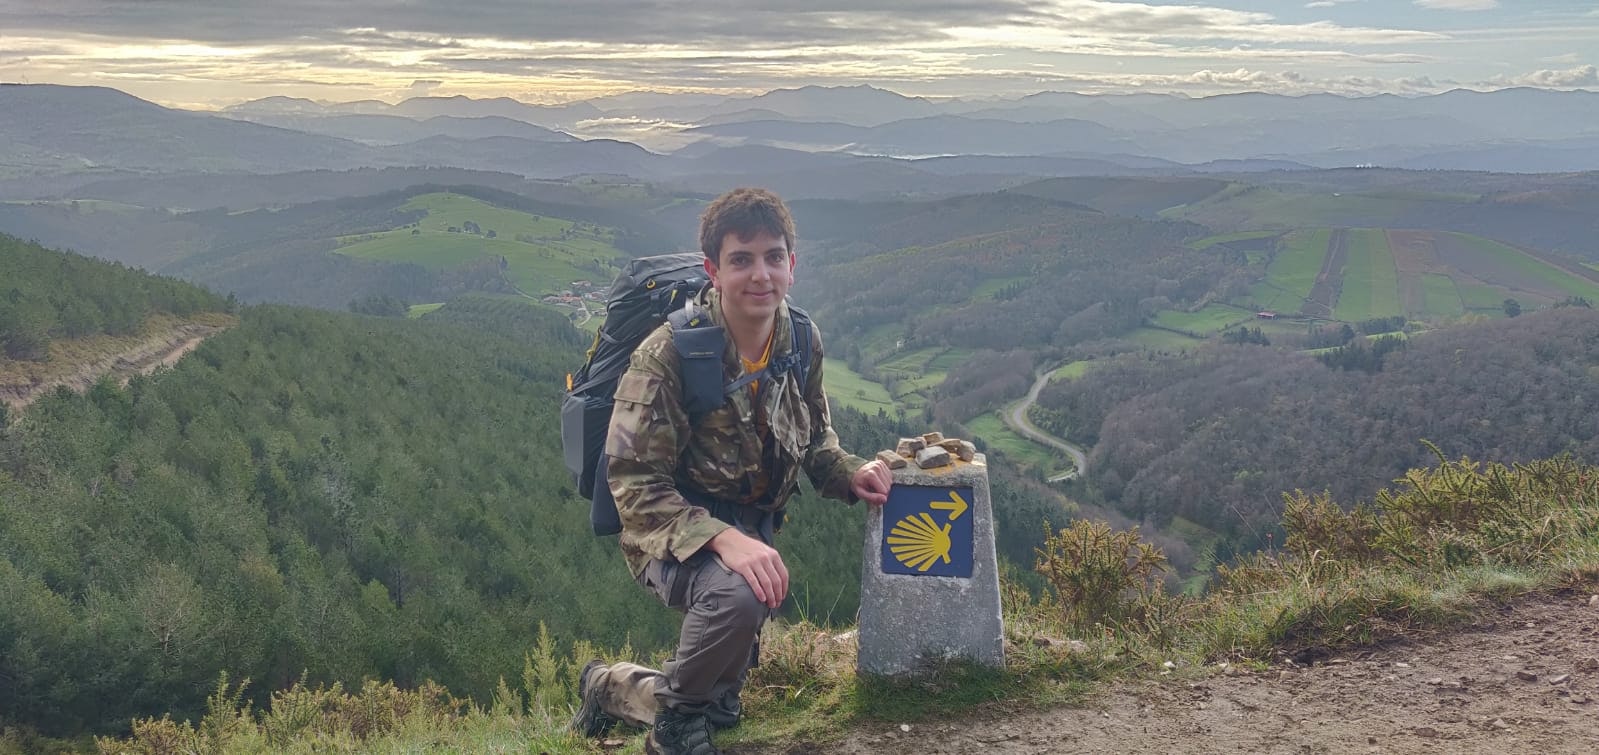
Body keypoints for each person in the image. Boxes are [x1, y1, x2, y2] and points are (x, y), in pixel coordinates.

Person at [571, 188, 893, 755]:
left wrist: (848, 472)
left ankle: (609, 688)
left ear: (792, 265)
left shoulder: (799, 340)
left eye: (773, 257)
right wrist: (723, 540)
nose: (760, 275)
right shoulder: (670, 356)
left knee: (720, 701)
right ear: (712, 270)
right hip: (667, 535)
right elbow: (633, 485)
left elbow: (814, 435)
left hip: (750, 530)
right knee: (741, 596)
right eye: (741, 259)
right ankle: (673, 731)